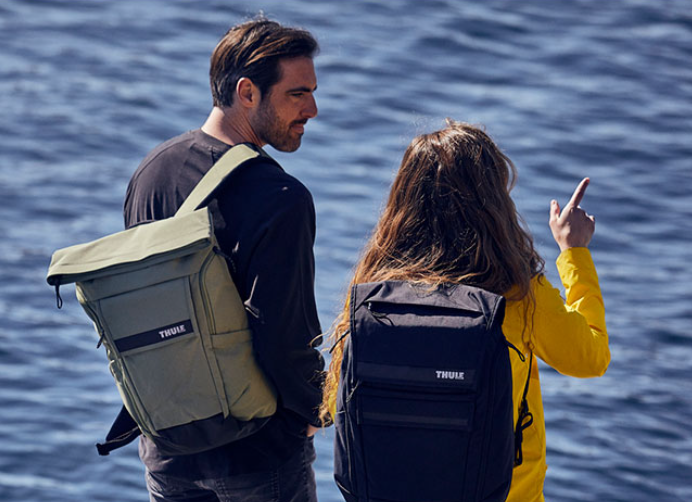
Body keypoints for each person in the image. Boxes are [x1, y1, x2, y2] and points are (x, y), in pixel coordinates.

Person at [320, 121, 610, 502]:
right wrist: (573, 253)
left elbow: (335, 402)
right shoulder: (518, 293)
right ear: (494, 204)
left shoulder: (373, 293)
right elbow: (590, 358)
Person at [124, 17, 323, 502]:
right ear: (247, 92)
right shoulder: (281, 197)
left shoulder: (151, 174)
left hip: (169, 446)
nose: (312, 110)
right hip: (258, 455)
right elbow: (283, 333)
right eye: (298, 94)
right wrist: (313, 409)